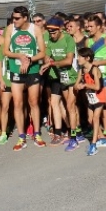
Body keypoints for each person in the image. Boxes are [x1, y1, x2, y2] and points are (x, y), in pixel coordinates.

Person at [3, 6, 48, 151]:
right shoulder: (10, 29)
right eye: (13, 18)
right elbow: (5, 51)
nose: (14, 20)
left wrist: (29, 59)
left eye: (17, 18)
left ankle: (36, 133)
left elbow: (42, 53)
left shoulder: (35, 29)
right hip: (16, 70)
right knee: (17, 103)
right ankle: (21, 136)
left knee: (34, 102)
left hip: (32, 70)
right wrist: (20, 56)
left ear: (25, 18)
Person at [40, 18, 79, 150]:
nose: (51, 35)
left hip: (72, 76)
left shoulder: (68, 39)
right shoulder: (51, 40)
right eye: (49, 32)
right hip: (57, 76)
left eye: (54, 32)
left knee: (70, 106)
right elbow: (47, 55)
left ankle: (74, 134)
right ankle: (58, 133)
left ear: (60, 29)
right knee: (54, 103)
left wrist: (51, 63)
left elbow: (68, 61)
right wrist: (47, 60)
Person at [86, 14, 106, 140]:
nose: (89, 28)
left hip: (105, 75)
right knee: (96, 103)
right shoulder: (88, 41)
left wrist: (99, 63)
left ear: (98, 27)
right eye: (88, 26)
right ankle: (100, 131)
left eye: (91, 26)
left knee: (103, 102)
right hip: (93, 76)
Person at [75, 47, 106, 156]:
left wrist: (85, 85)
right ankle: (102, 138)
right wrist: (78, 86)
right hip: (90, 97)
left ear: (87, 58)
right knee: (90, 119)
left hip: (99, 96)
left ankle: (93, 144)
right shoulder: (81, 70)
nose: (78, 58)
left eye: (80, 56)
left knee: (95, 117)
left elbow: (98, 87)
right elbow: (76, 84)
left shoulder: (94, 69)